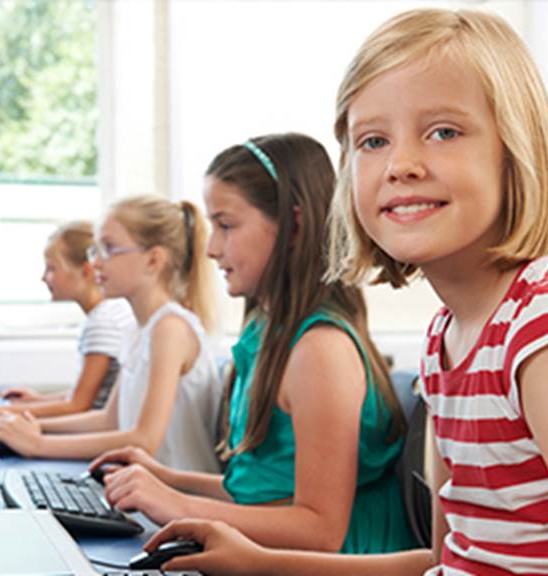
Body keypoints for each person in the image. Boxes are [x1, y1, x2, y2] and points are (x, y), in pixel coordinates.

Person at [141, 8, 548, 576]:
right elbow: (444, 563)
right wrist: (258, 562)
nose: (401, 164)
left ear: (516, 151)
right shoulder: (447, 337)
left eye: (444, 132)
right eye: (373, 140)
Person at [89, 133, 415, 555]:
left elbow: (320, 529)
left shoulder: (320, 349)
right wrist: (167, 478)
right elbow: (263, 492)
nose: (210, 248)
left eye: (225, 225)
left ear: (293, 225)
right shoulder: (269, 335)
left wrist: (179, 505)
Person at [0, 195, 224, 473]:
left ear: (153, 260)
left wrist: (38, 444)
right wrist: (29, 425)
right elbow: (108, 421)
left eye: (109, 249)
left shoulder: (170, 329)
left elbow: (144, 440)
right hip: (139, 489)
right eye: (95, 250)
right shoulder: (138, 328)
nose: (97, 263)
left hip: (175, 501)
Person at [0, 221, 135, 421]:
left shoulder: (103, 322)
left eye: (52, 269)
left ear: (87, 271)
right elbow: (85, 396)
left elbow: (77, 406)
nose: (44, 278)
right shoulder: (109, 313)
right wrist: (38, 400)